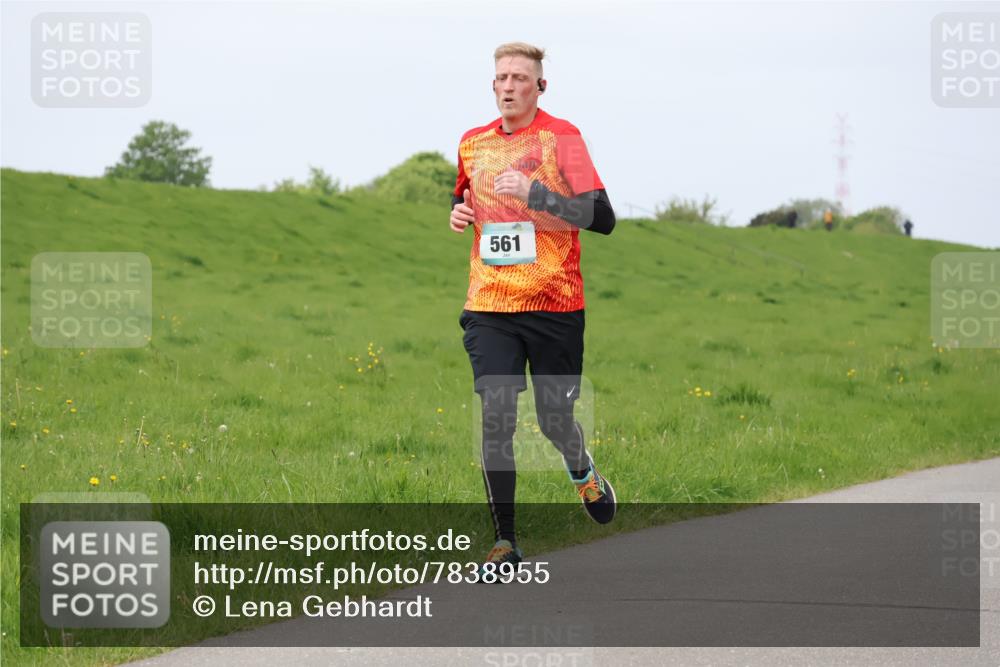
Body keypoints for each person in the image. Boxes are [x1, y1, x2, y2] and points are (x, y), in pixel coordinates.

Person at [449, 42, 618, 577]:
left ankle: (582, 470)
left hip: (554, 305)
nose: (508, 85)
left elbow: (603, 216)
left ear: (539, 87)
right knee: (495, 413)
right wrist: (458, 212)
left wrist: (537, 193)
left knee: (553, 419)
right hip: (490, 303)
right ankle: (504, 542)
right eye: (501, 76)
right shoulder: (472, 144)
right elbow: (464, 198)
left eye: (520, 77)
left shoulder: (561, 138)